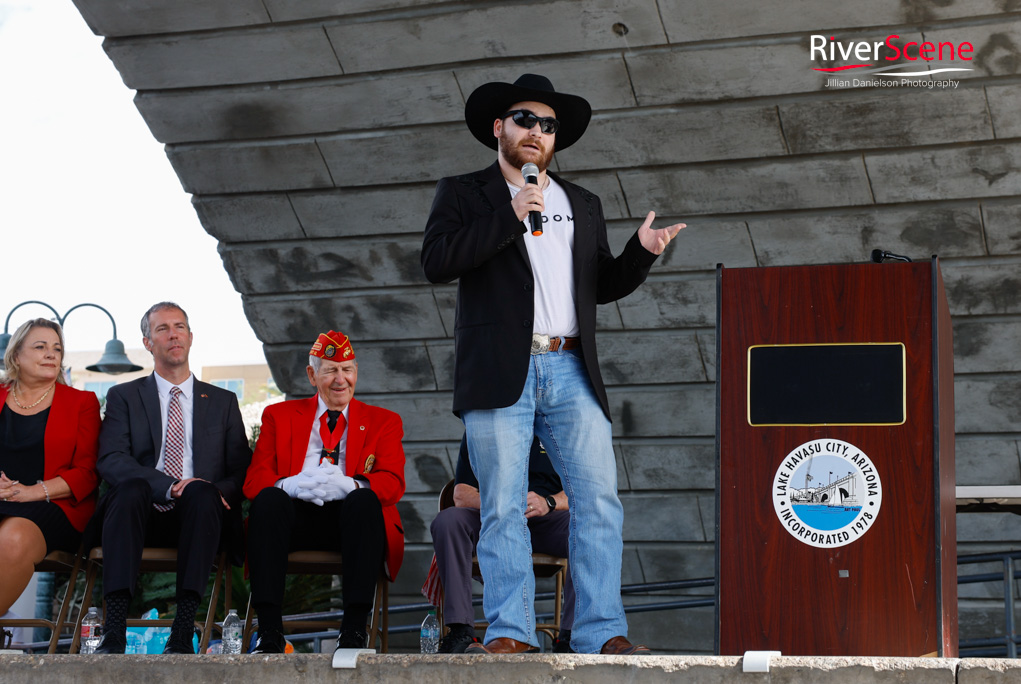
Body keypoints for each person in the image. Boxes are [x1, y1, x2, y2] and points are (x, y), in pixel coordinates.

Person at [421, 73, 684, 655]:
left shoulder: (580, 203)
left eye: (548, 125)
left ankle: (600, 632)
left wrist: (640, 255)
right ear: (499, 128)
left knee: (598, 501)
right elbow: (436, 261)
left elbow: (599, 285)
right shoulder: (465, 192)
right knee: (502, 505)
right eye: (525, 120)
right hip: (500, 368)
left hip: (570, 367)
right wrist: (511, 213)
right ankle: (511, 633)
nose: (537, 132)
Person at [91, 302, 251, 654]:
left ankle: (182, 631)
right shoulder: (124, 396)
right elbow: (111, 459)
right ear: (148, 343)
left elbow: (242, 468)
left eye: (179, 326)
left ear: (190, 337)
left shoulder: (223, 401)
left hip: (201, 515)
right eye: (162, 328)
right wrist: (168, 485)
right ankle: (114, 628)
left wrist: (212, 491)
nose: (173, 334)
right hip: (142, 511)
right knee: (130, 488)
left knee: (202, 493)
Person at [243, 330, 405, 653]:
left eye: (347, 369)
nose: (340, 379)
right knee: (269, 501)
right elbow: (254, 480)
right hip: (296, 518)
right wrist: (289, 484)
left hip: (351, 521)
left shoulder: (384, 421)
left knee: (363, 501)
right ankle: (270, 632)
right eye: (330, 369)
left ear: (356, 373)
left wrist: (353, 484)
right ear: (312, 375)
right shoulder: (279, 415)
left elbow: (393, 482)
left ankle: (354, 632)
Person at [430, 435, 574, 653]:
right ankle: (460, 629)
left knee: (587, 526)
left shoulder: (555, 424)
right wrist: (502, 503)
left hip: (545, 518)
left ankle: (572, 635)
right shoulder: (482, 426)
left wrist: (549, 502)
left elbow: (581, 490)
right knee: (448, 521)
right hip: (493, 517)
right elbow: (462, 495)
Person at [0, 319, 100, 621]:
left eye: (57, 348)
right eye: (40, 347)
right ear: (16, 355)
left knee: (12, 538)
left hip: (55, 505)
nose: (51, 354)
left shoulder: (82, 402)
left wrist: (31, 492)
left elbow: (89, 471)